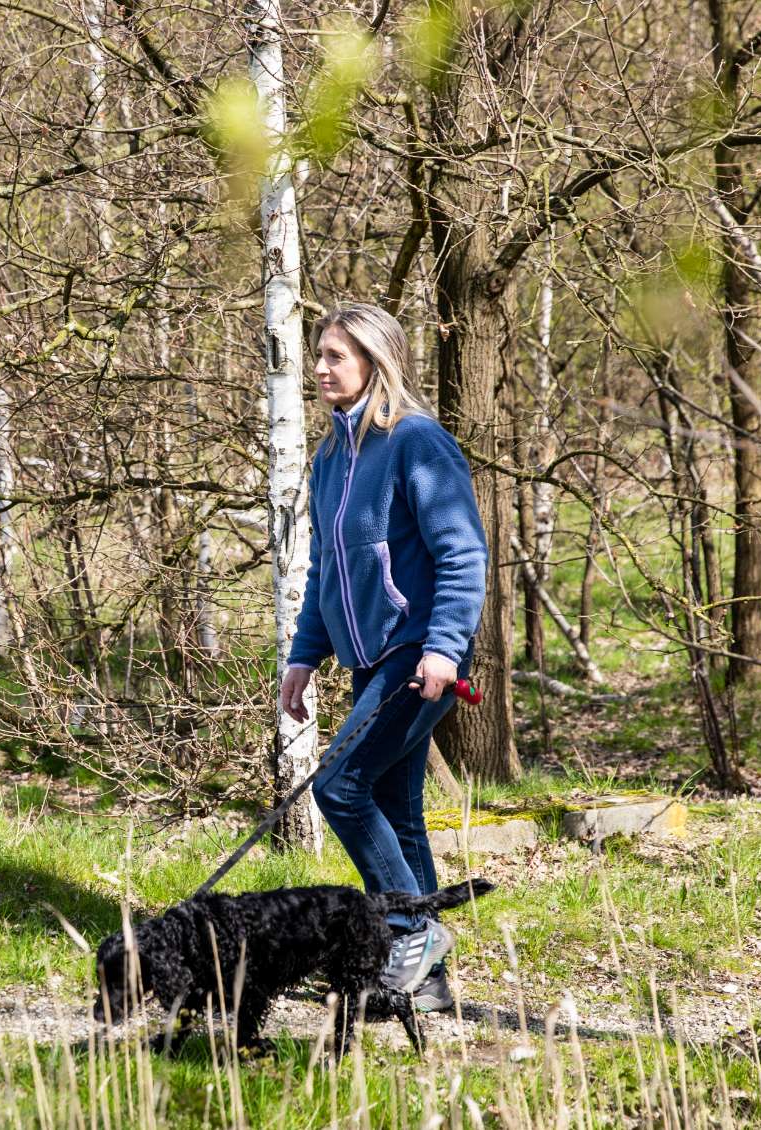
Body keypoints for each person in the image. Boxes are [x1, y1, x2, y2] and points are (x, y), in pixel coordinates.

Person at [276, 303, 488, 1014]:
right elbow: (327, 570)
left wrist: (444, 648)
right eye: (319, 354)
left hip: (418, 655)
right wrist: (305, 656)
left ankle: (409, 933)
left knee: (339, 786)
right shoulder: (331, 457)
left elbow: (463, 554)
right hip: (370, 658)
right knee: (397, 812)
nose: (320, 367)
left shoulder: (415, 442)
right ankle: (425, 984)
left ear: (376, 360)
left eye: (335, 355)